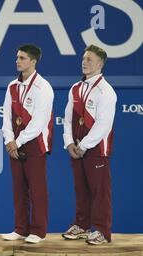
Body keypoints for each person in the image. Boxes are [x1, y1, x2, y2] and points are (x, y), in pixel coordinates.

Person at [62, 45, 116, 245]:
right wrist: (69, 143)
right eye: (84, 58)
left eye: (90, 60)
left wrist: (83, 146)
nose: (84, 62)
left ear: (100, 64)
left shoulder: (106, 91)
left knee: (100, 192)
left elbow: (103, 125)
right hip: (76, 149)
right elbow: (67, 119)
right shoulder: (76, 88)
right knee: (81, 190)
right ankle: (83, 226)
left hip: (95, 151)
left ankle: (102, 231)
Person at [1, 44, 54, 244]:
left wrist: (18, 141)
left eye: (22, 58)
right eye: (17, 57)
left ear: (33, 61)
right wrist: (9, 140)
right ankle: (21, 228)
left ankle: (38, 231)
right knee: (19, 189)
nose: (17, 61)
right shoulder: (12, 86)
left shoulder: (43, 87)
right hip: (14, 144)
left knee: (37, 190)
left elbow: (39, 122)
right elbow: (6, 116)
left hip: (34, 145)